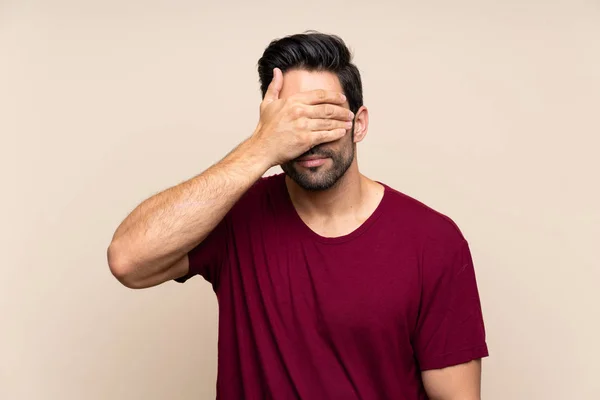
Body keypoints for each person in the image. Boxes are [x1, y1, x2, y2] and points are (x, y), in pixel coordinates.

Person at [107, 31, 489, 400]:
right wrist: (261, 147)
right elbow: (128, 260)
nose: (310, 137)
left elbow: (456, 396)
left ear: (360, 123)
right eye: (293, 121)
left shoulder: (432, 241)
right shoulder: (234, 215)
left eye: (324, 117)